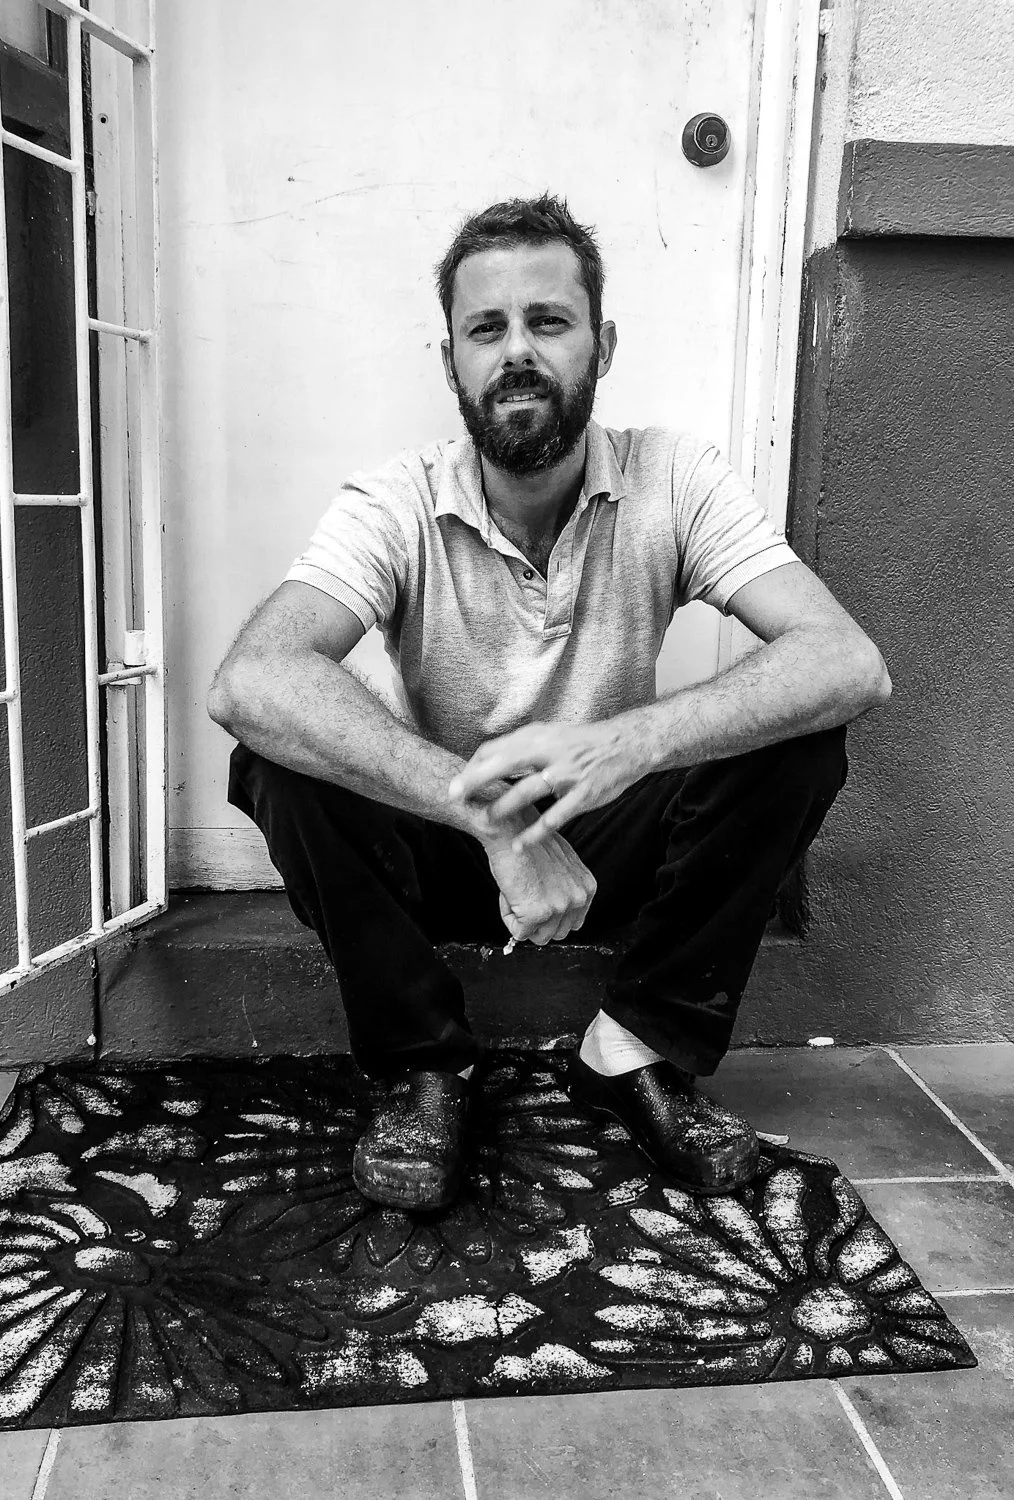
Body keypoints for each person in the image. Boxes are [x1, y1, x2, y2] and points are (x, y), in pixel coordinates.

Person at [207, 194, 891, 1213]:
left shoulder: (675, 477)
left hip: (598, 847)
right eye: (486, 329)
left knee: (797, 739)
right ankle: (421, 1066)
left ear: (600, 345)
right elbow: (250, 680)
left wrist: (628, 742)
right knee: (279, 756)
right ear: (450, 363)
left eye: (548, 322)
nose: (517, 352)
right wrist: (485, 813)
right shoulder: (394, 500)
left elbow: (847, 661)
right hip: (440, 850)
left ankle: (634, 1046)